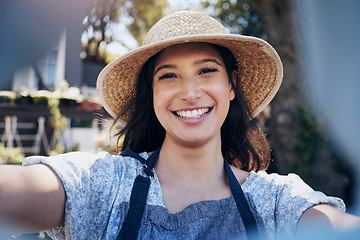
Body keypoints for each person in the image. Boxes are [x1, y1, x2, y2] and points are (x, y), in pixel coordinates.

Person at [0, 10, 359, 239]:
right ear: (152, 95)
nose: (190, 92)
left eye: (207, 70)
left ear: (231, 85)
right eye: (168, 76)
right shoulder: (101, 185)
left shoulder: (276, 201)